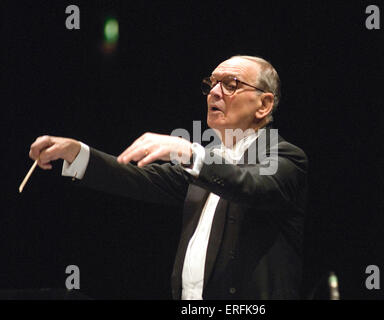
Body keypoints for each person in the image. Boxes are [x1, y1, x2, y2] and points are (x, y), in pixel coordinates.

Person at [29, 55, 308, 300]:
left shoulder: (285, 157)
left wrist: (190, 152)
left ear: (264, 104)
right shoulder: (206, 162)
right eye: (211, 84)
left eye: (231, 84)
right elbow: (139, 178)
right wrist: (77, 153)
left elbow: (253, 186)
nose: (214, 92)